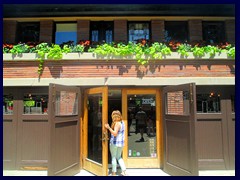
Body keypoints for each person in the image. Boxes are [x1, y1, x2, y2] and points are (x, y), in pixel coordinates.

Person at [105, 110, 128, 176]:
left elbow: (115, 133)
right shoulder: (123, 122)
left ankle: (114, 173)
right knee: (119, 157)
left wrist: (108, 127)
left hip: (115, 143)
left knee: (114, 157)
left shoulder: (117, 124)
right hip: (121, 143)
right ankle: (124, 171)